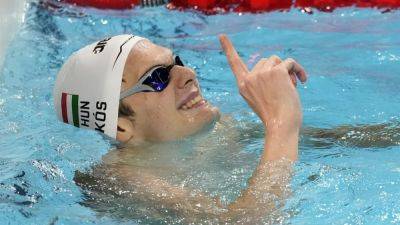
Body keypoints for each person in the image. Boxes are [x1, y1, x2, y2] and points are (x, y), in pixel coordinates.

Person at [54, 34, 307, 223]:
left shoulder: (219, 130)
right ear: (121, 127)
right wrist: (281, 122)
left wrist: (277, 102)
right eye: (158, 77)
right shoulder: (123, 180)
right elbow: (246, 221)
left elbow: (340, 140)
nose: (188, 73)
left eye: (177, 61)